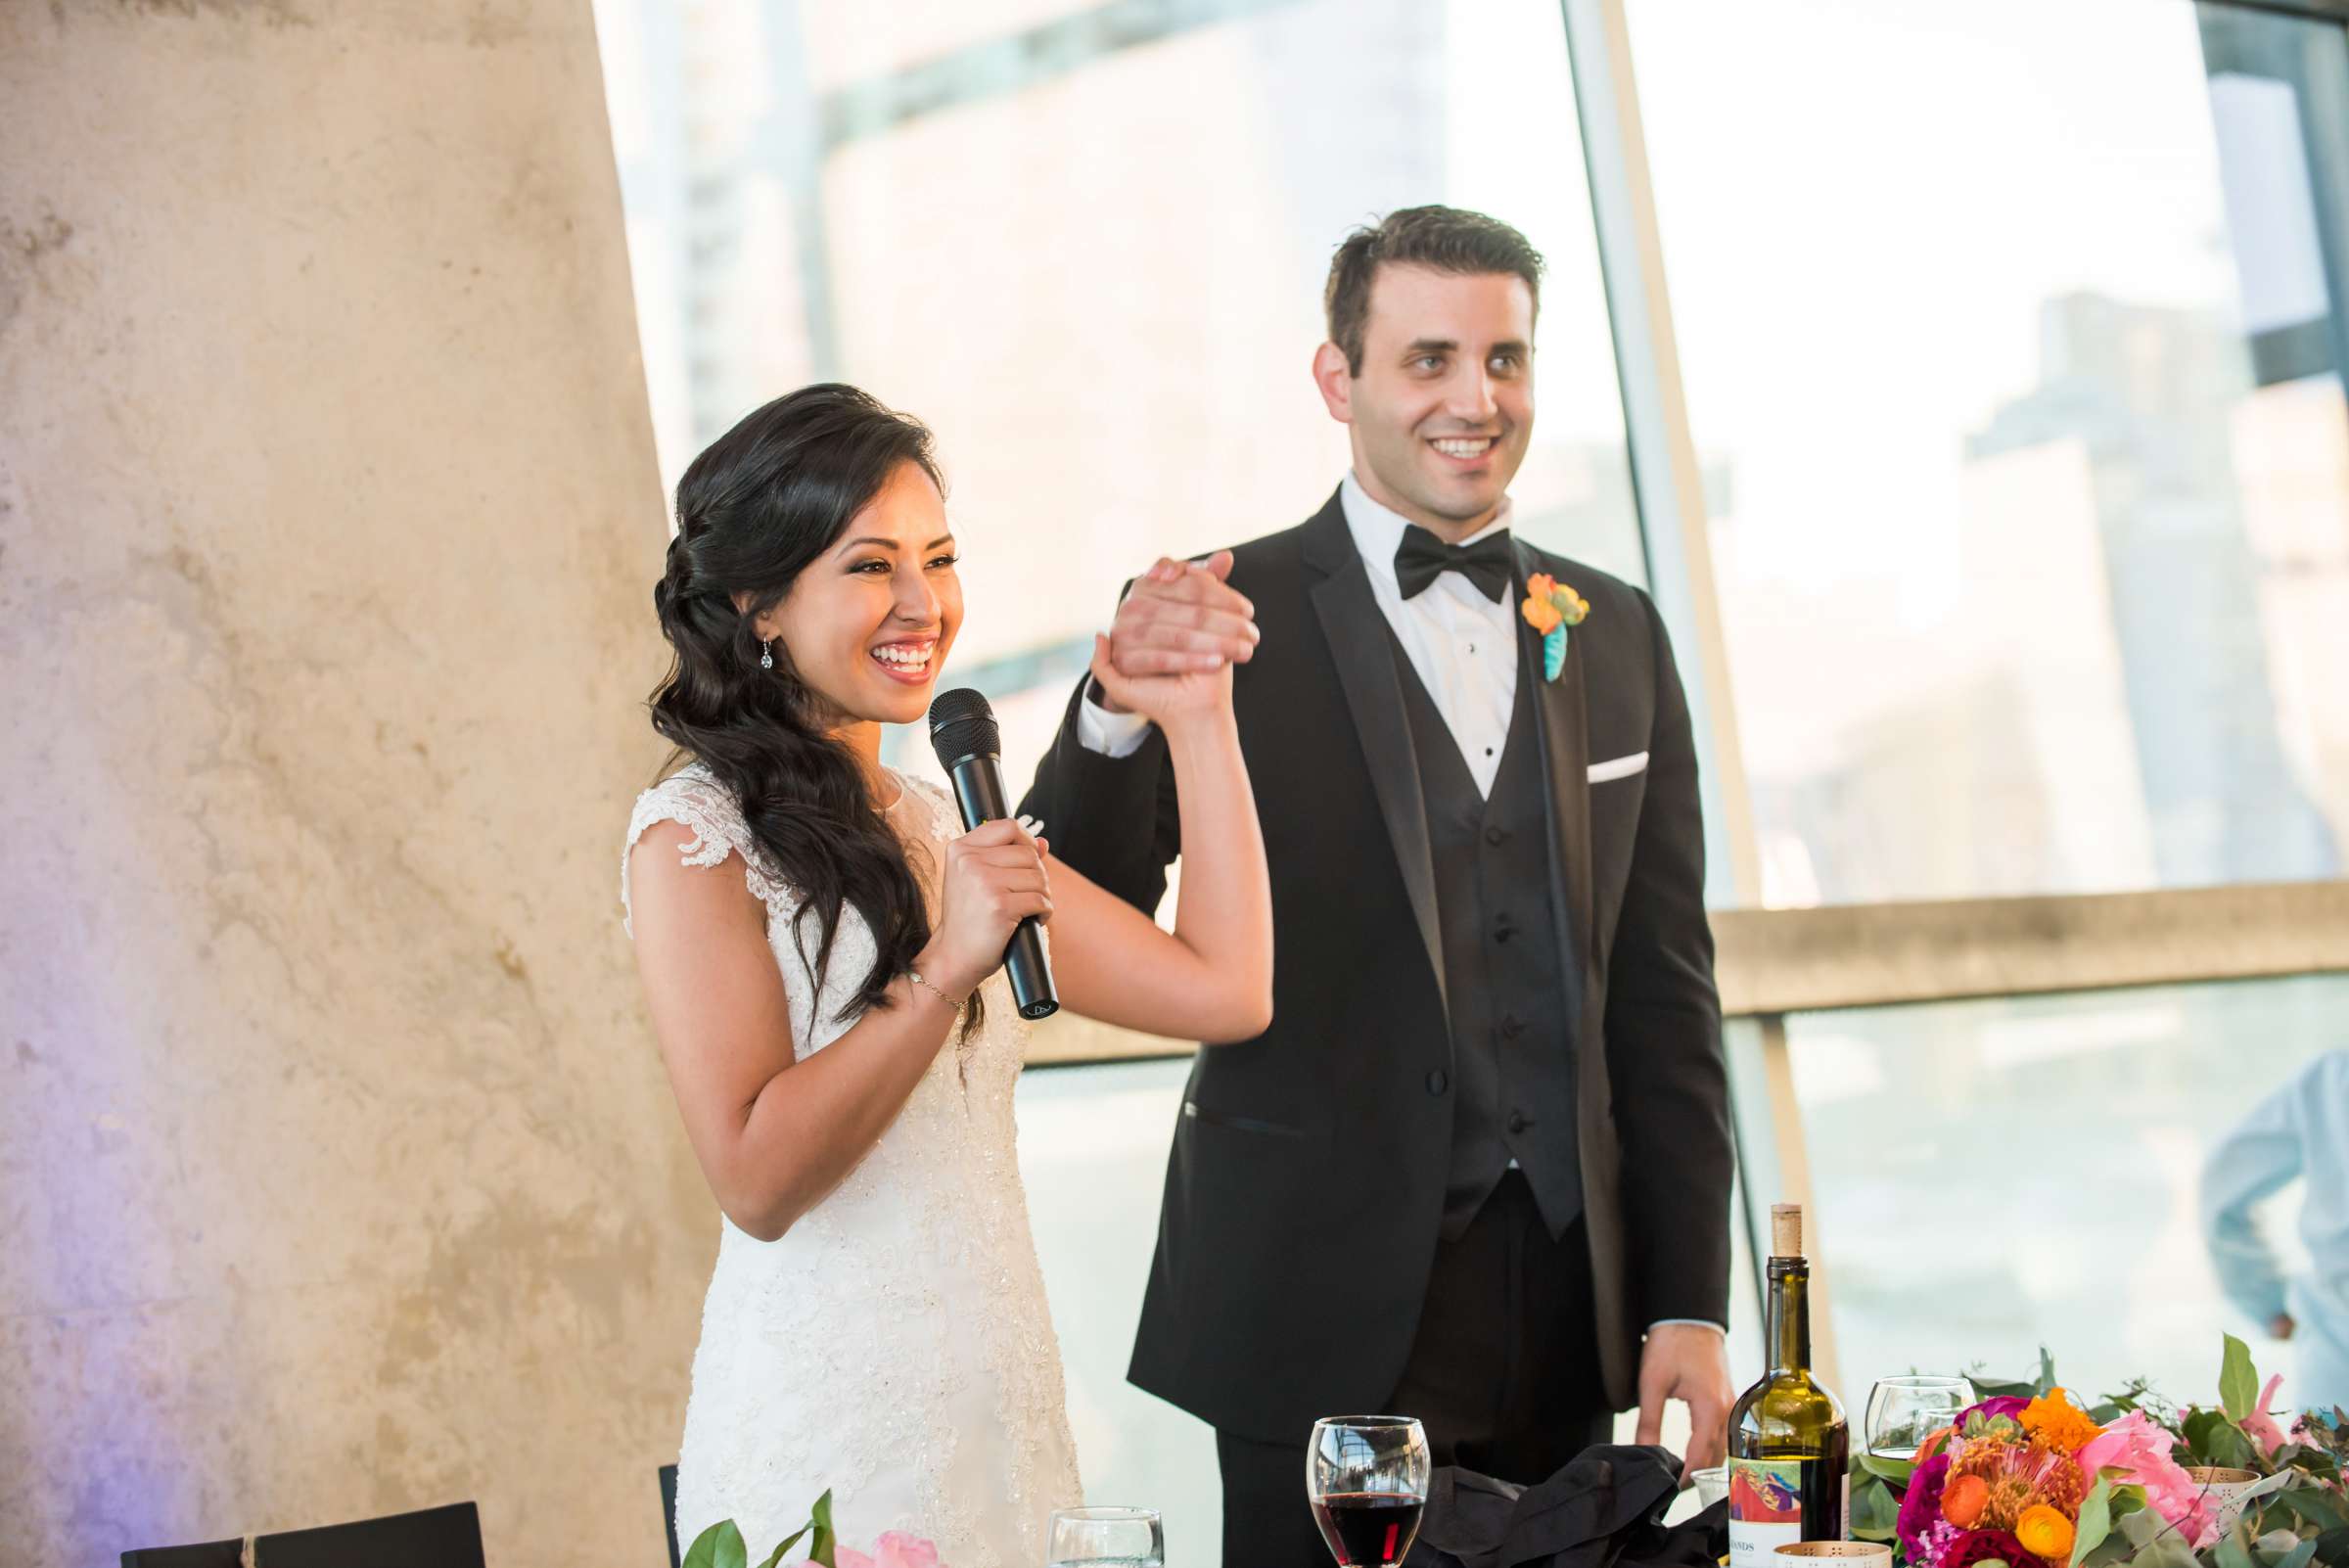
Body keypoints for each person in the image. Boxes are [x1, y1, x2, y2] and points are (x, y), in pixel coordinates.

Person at [1019, 206, 1736, 1565]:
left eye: (1506, 359)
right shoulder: (1218, 610)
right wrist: (1115, 702)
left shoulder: (1620, 630)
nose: (1477, 400)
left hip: (1572, 1326)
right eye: (1429, 360)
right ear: (1337, 380)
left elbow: (1667, 998)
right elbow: (1074, 901)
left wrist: (1683, 1303)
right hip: (1314, 1321)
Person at [621, 384, 1272, 1566]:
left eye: (940, 558)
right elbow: (756, 1181)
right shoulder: (693, 835)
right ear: (758, 601)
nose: (924, 605)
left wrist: (1198, 719)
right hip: (830, 1437)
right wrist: (942, 972)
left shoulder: (943, 825)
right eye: (870, 566)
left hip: (1001, 1421)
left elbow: (1225, 989)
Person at [2200, 1049, 2349, 1412]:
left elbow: (2223, 1187)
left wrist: (2267, 1304)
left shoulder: (2331, 1077)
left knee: (2327, 1467)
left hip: (2337, 1367)